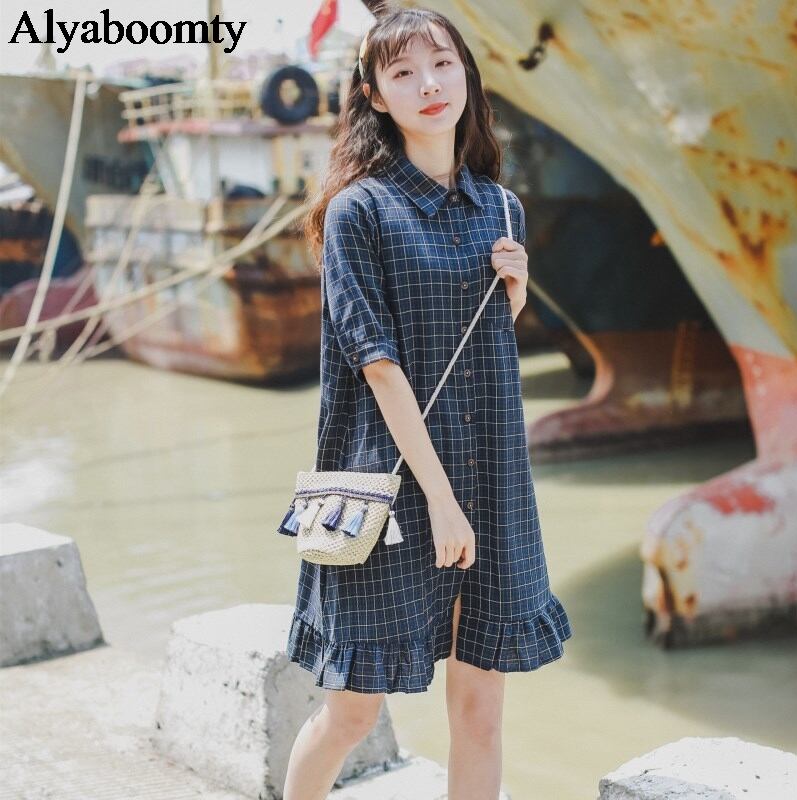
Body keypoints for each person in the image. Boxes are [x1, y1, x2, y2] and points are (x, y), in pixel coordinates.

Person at [282, 6, 572, 798]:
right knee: (352, 710)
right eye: (404, 73)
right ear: (376, 96)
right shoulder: (360, 210)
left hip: (493, 482)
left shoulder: (502, 208)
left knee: (481, 712)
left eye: (442, 64)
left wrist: (513, 297)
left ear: (466, 75)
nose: (429, 84)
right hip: (394, 489)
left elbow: (481, 349)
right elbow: (377, 366)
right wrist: (441, 501)